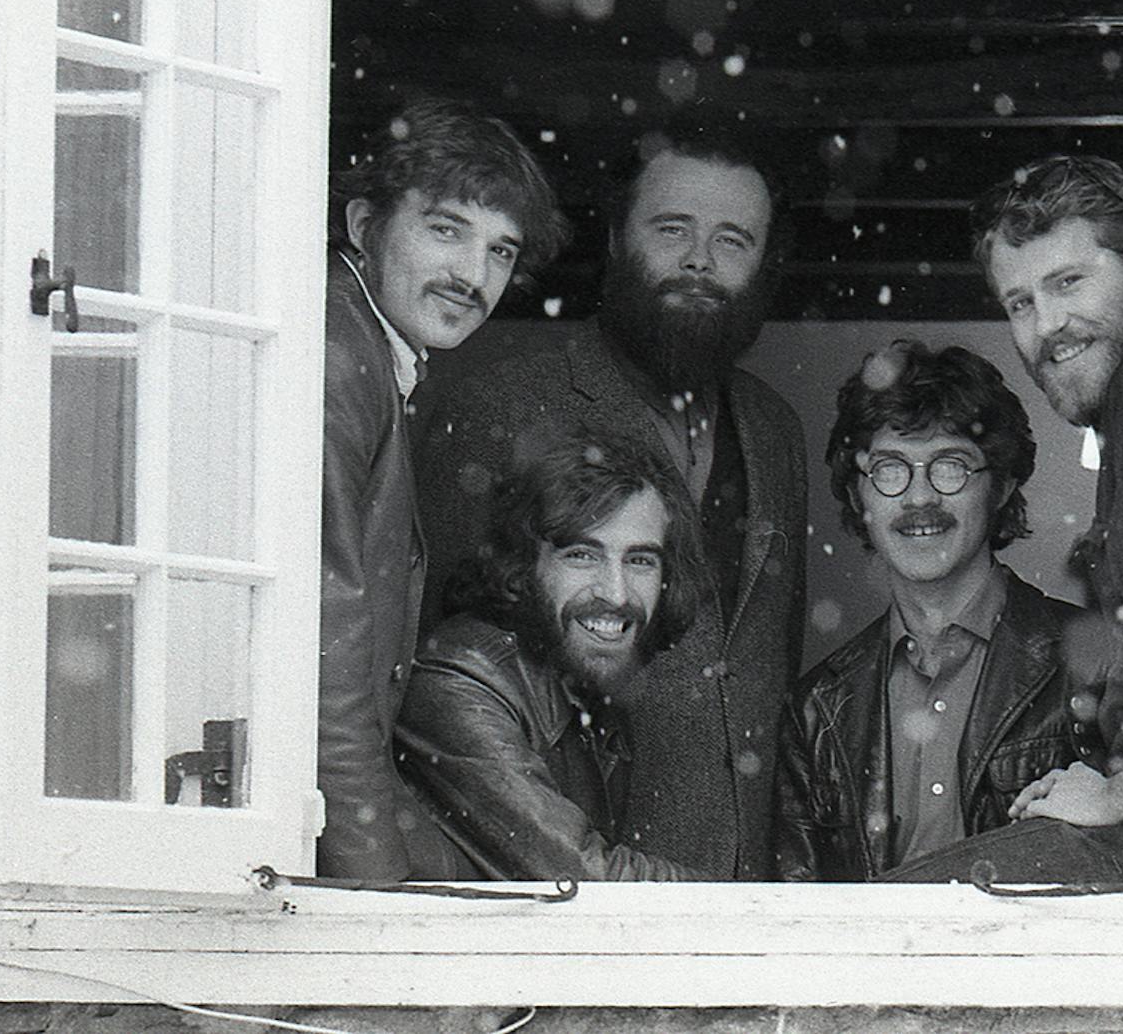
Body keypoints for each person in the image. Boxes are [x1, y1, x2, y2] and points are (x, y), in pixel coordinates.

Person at [415, 125, 807, 879]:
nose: (700, 259)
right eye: (673, 230)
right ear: (617, 238)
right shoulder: (503, 407)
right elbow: (445, 663)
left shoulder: (774, 428)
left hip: (747, 889)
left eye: (733, 240)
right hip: (573, 882)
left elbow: (770, 670)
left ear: (764, 263)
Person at [776, 341, 1123, 881]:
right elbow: (798, 917)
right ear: (859, 498)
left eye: (949, 466)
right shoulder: (815, 710)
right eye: (890, 469)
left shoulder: (1100, 661)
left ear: (1001, 485)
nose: (920, 498)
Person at [318, 97, 568, 880]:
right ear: (364, 226)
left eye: (500, 251)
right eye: (446, 229)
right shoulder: (338, 364)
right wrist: (372, 884)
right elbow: (324, 654)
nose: (472, 275)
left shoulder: (364, 347)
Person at [968, 154, 1123, 871]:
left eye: (1069, 283)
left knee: (903, 927)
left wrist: (1120, 790)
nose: (1048, 325)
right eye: (1020, 302)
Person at [396, 429, 711, 880]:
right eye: (583, 555)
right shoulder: (460, 681)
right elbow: (586, 879)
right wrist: (766, 912)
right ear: (524, 567)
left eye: (640, 560)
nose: (616, 593)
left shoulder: (583, 675)